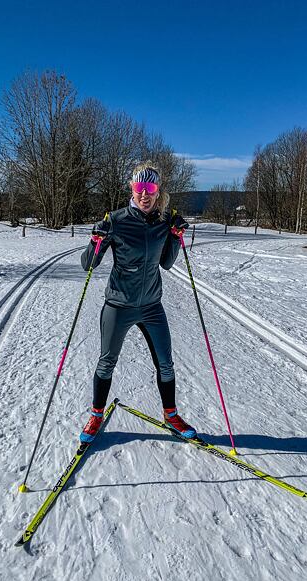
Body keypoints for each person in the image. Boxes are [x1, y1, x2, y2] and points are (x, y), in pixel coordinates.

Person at [79, 162, 197, 442]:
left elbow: (166, 264)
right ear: (132, 188)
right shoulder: (116, 221)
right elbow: (89, 264)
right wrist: (96, 239)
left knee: (166, 364)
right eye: (140, 187)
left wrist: (176, 237)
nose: (145, 194)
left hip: (151, 306)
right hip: (118, 306)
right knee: (107, 362)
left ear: (157, 192)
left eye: (151, 188)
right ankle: (96, 415)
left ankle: (171, 415)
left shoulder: (162, 223)